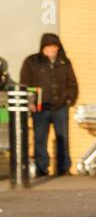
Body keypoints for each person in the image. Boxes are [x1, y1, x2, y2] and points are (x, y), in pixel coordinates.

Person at [19, 33, 78, 177]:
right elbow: (25, 83)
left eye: (55, 47)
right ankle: (41, 168)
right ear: (43, 47)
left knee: (62, 138)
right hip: (40, 108)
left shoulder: (65, 62)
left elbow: (72, 83)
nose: (53, 49)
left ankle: (63, 169)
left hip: (60, 107)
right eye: (50, 46)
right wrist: (30, 102)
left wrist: (69, 99)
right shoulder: (32, 61)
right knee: (40, 138)